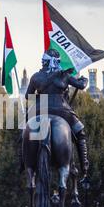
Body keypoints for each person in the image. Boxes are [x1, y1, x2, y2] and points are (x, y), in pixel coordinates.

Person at [24, 49, 89, 178]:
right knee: (80, 133)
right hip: (62, 111)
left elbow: (28, 96)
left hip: (38, 111)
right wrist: (84, 79)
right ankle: (84, 164)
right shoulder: (64, 75)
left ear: (45, 62)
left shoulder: (36, 77)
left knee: (23, 132)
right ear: (55, 62)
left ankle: (23, 161)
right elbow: (81, 85)